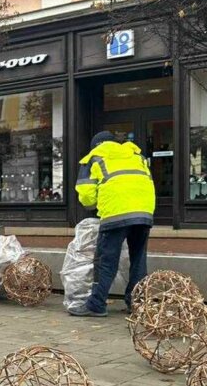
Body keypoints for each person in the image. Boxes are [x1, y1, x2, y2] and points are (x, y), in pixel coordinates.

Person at [69, 130, 154, 317]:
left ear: (96, 146)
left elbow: (86, 196)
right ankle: (137, 304)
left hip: (116, 212)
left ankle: (96, 304)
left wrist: (97, 203)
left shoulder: (93, 158)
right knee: (139, 259)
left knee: (106, 261)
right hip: (144, 212)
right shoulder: (136, 156)